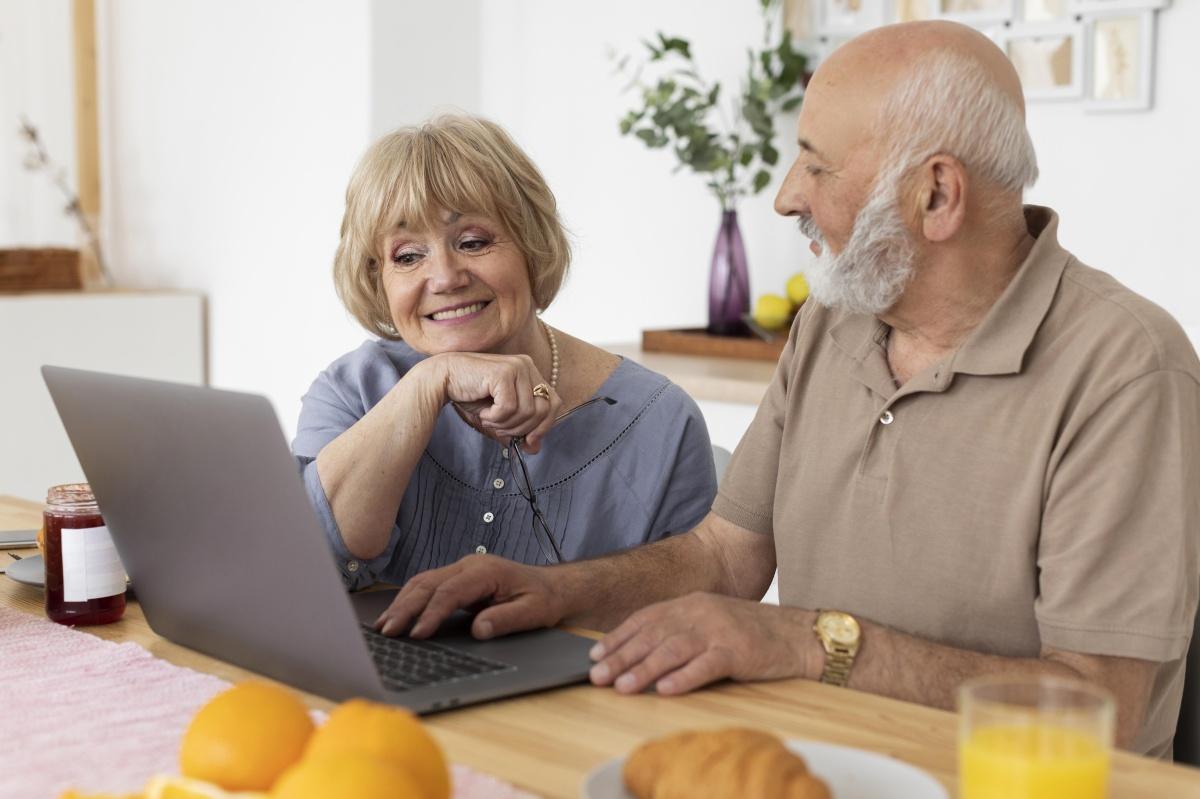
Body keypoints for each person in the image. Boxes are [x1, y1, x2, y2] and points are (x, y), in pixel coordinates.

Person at [373, 22, 1200, 758]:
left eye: (816, 165)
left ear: (937, 194)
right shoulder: (833, 322)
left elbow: (1102, 708)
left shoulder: (1125, 368)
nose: (785, 196)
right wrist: (555, 590)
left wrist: (810, 641)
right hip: (826, 767)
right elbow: (725, 556)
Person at [293, 115, 717, 591]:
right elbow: (297, 569)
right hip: (367, 668)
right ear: (377, 278)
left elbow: (694, 618)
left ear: (532, 245)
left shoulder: (659, 422)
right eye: (408, 256)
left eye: (473, 242)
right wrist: (432, 381)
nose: (446, 277)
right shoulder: (352, 391)